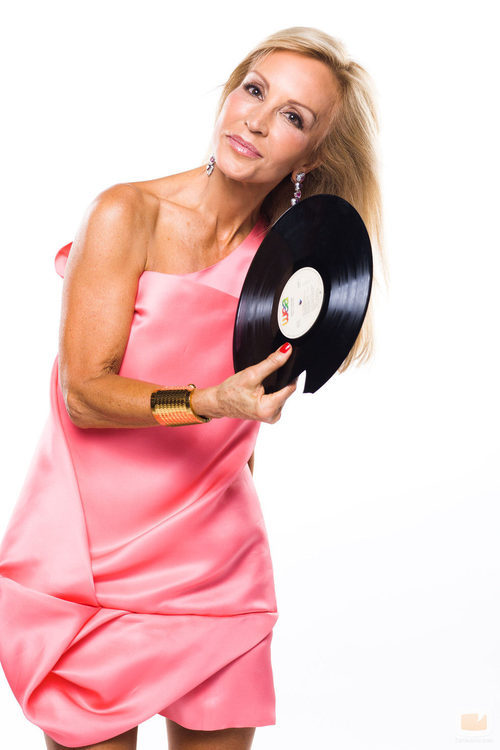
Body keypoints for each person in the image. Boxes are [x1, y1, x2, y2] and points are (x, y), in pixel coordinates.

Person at [0, 25, 385, 750]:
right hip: (96, 561)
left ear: (312, 155)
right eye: (254, 90)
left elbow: (246, 429)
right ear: (230, 92)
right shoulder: (126, 213)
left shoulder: (291, 270)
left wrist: (239, 429)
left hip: (216, 565)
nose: (257, 120)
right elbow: (85, 393)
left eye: (292, 116)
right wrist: (207, 402)